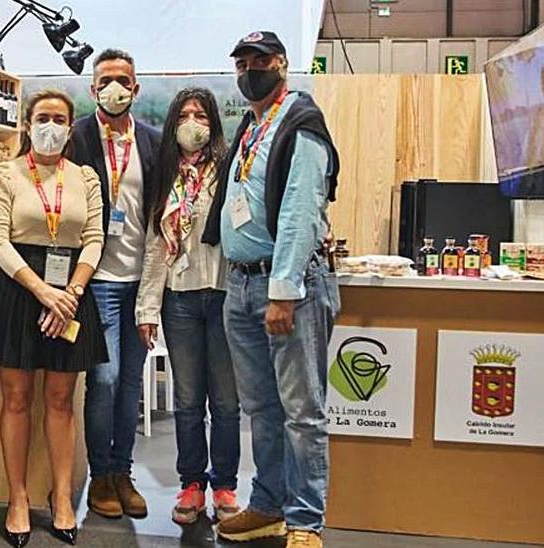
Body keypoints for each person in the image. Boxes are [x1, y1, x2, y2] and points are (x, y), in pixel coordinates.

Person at [207, 32, 341, 548]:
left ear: (282, 64)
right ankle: (267, 506)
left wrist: (283, 291)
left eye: (259, 61)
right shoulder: (251, 125)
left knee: (301, 412)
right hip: (240, 285)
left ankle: (306, 520)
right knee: (261, 407)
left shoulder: (301, 124)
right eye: (241, 62)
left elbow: (300, 214)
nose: (249, 70)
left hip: (287, 285)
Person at [0, 88, 106, 548]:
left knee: (59, 400)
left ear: (71, 127)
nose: (51, 126)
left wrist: (70, 292)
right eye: (43, 117)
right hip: (18, 291)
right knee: (15, 400)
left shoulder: (86, 178)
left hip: (72, 290)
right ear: (27, 124)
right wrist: (42, 292)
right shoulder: (5, 173)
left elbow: (94, 238)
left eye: (59, 118)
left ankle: (61, 499)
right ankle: (16, 498)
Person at [136, 87, 241, 525]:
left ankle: (226, 485)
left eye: (200, 115)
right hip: (179, 299)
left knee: (227, 401)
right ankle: (192, 483)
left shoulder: (230, 169)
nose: (192, 123)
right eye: (184, 115)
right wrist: (147, 307)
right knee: (186, 399)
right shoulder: (165, 175)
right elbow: (156, 245)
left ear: (213, 123)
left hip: (223, 295)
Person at [68, 48, 161, 520]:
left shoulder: (152, 141)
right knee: (102, 380)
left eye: (124, 80)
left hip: (140, 280)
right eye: (106, 80)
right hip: (96, 279)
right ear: (93, 89)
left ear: (136, 88)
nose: (115, 88)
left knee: (130, 384)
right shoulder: (75, 137)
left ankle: (123, 472)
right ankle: (100, 473)